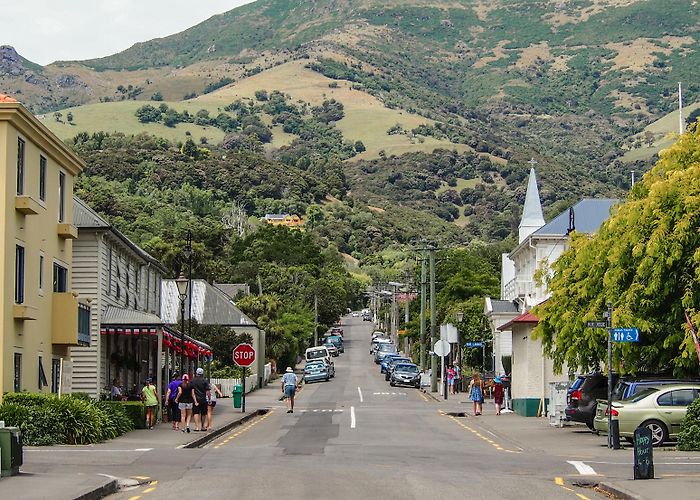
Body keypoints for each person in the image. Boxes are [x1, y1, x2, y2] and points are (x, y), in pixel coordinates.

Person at [191, 367, 210, 431]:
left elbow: (191, 390)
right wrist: (209, 399)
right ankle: (203, 426)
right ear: (202, 373)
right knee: (203, 413)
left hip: (195, 399)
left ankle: (196, 427)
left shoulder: (192, 381)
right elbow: (208, 391)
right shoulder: (205, 381)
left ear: (196, 373)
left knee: (196, 412)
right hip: (203, 399)